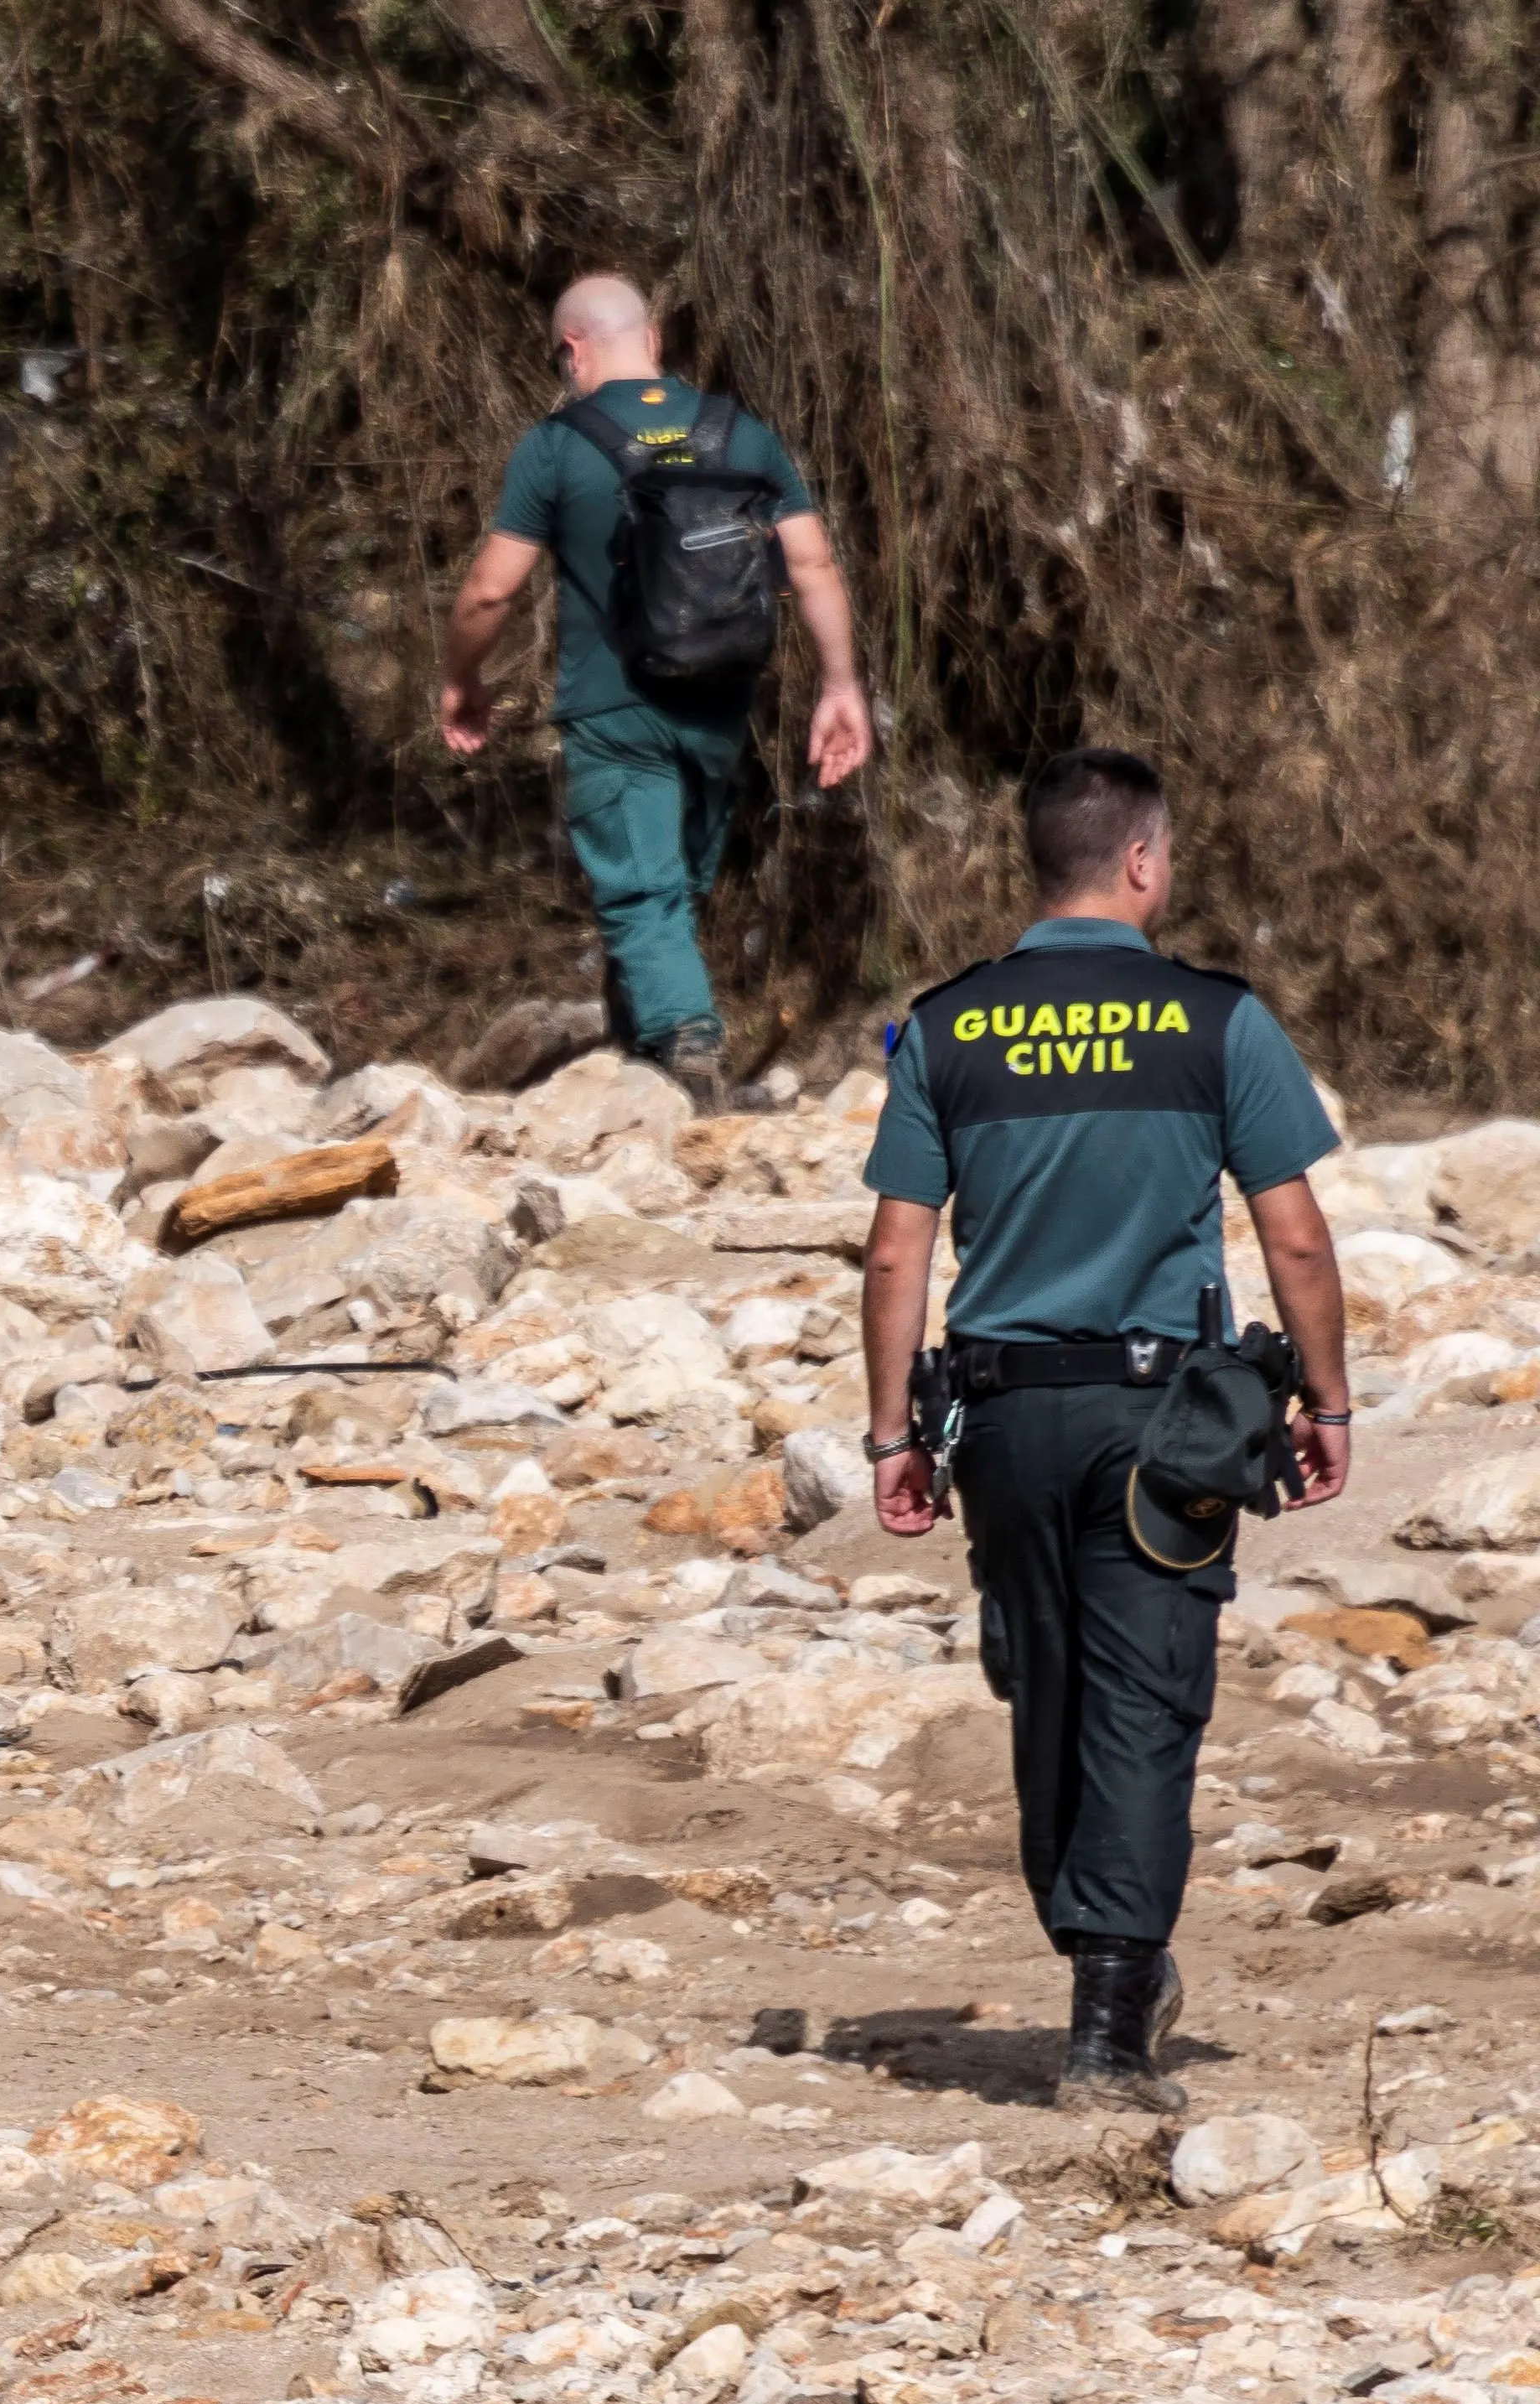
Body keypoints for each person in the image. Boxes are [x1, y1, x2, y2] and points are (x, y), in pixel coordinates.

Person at [857, 748, 1351, 2114]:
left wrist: (890, 1435)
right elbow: (1293, 1236)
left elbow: (897, 1254)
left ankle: (1099, 1955)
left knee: (1049, 1689)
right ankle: (1104, 2031)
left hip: (1001, 1420)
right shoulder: (1212, 1021)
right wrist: (1327, 1400)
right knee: (1141, 1706)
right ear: (1139, 860)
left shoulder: (944, 1027)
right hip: (1160, 1424)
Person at [440, 274, 874, 1107]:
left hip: (615, 707)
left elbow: (491, 591)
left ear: (572, 350)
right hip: (720, 704)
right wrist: (840, 686)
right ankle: (641, 1064)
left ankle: (687, 1045)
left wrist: (462, 678)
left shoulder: (557, 446)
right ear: (655, 343)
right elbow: (812, 564)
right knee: (668, 887)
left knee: (644, 888)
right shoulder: (741, 434)